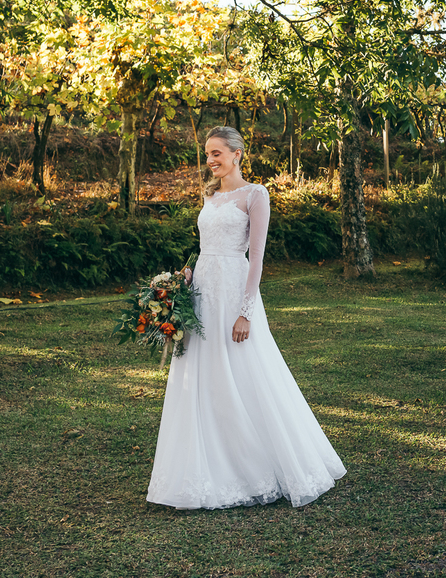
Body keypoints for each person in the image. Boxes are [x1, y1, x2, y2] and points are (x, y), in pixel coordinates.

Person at [147, 126, 346, 509]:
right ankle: (207, 462)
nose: (210, 161)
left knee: (246, 372)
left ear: (238, 153)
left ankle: (262, 462)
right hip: (202, 291)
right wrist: (185, 278)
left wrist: (245, 313)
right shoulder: (208, 195)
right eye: (207, 154)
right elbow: (207, 248)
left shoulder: (256, 195)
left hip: (234, 292)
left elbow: (255, 258)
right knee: (201, 374)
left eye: (217, 153)